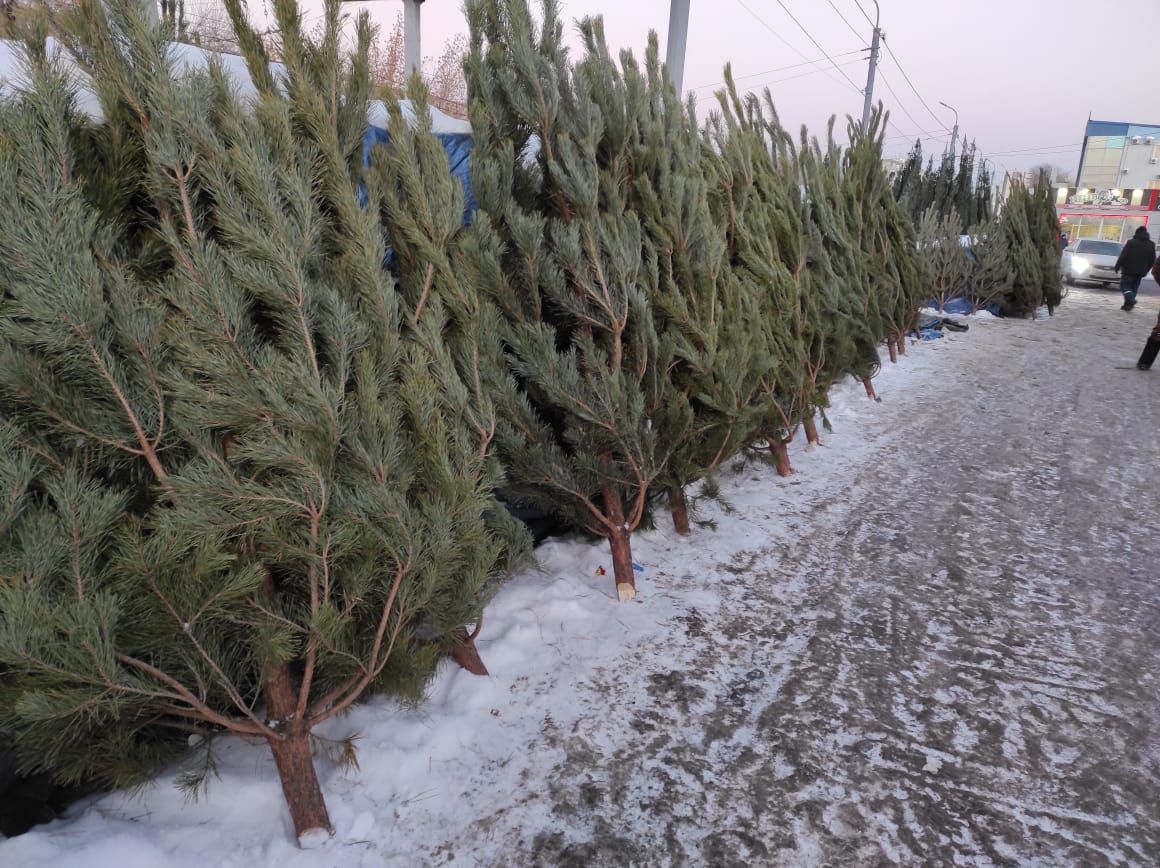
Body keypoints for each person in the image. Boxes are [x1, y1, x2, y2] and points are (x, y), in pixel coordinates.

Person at [1113, 226, 1157, 311]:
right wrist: (1146, 270)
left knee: (1124, 286)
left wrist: (1117, 266)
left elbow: (1123, 256)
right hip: (1140, 272)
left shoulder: (1131, 242)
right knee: (1134, 288)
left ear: (1136, 233)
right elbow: (1152, 259)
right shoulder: (1151, 244)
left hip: (1128, 270)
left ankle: (1131, 300)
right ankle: (1128, 305)